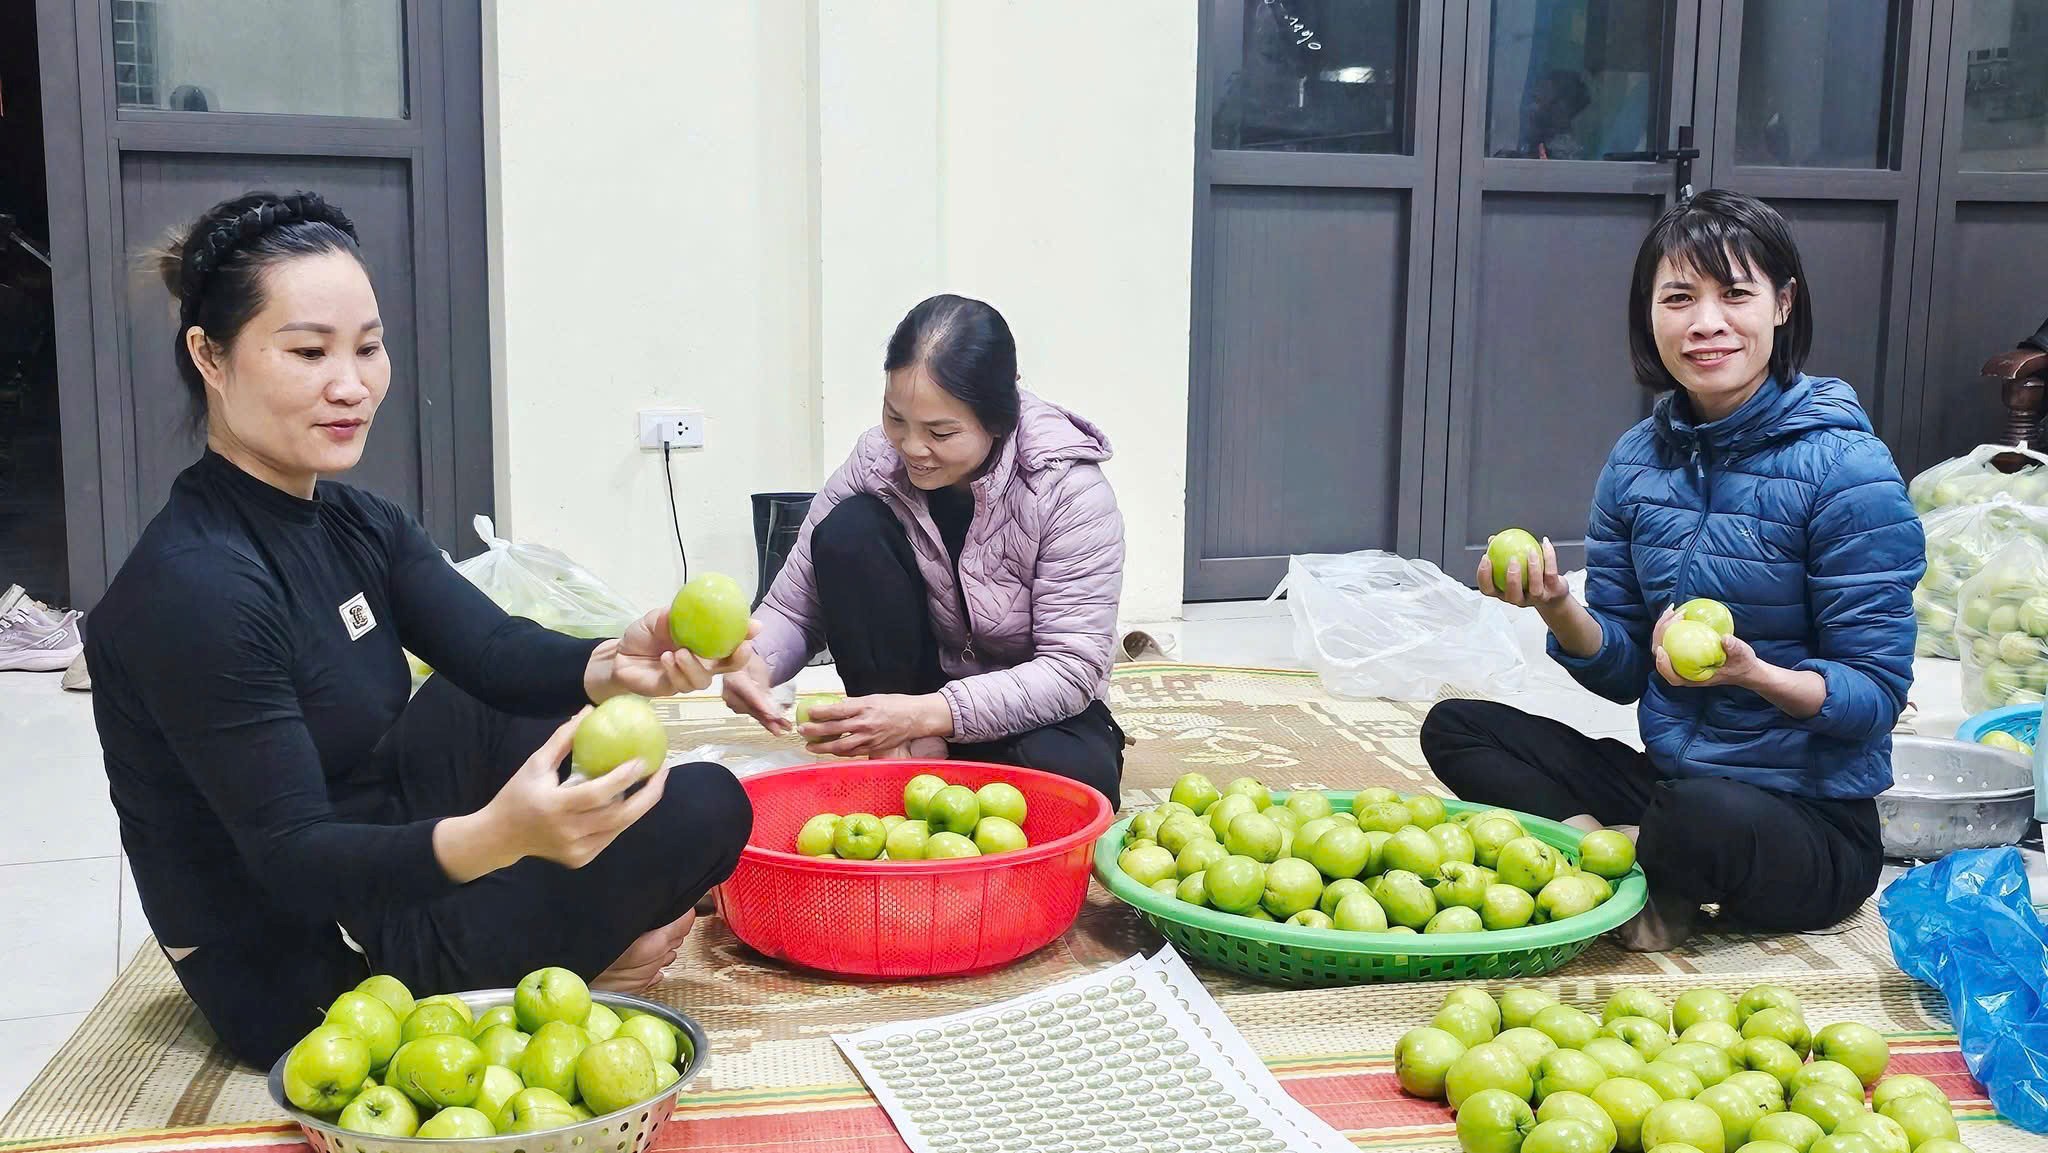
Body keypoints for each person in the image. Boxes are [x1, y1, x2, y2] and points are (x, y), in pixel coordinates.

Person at [87, 191, 754, 1067]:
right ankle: (576, 946)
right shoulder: (196, 586)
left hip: (376, 842)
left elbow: (492, 650)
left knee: (510, 711)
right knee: (709, 805)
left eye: (367, 347)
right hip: (311, 961)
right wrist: (503, 838)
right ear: (210, 357)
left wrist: (617, 659)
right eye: (308, 351)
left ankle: (557, 920)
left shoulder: (352, 519)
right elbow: (292, 857)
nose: (351, 384)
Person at [1420, 190, 1924, 950]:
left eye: (1736, 295)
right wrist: (1558, 606)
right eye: (1680, 297)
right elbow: (1624, 671)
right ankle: (1607, 858)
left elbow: (1875, 697)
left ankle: (1656, 875)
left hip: (1806, 820)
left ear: (1783, 305)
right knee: (1456, 726)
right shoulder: (1637, 462)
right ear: (1649, 314)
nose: (1707, 323)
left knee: (1698, 817)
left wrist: (1755, 676)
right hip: (1673, 782)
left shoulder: (1848, 471)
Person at [722, 295, 1127, 806]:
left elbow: (1070, 669)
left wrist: (927, 714)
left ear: (998, 421)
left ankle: (920, 752)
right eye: (896, 419)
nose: (912, 447)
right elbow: (794, 603)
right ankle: (907, 754)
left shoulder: (1067, 489)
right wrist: (754, 663)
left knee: (1074, 784)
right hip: (911, 697)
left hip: (1027, 704)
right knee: (849, 530)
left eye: (941, 432)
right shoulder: (876, 461)